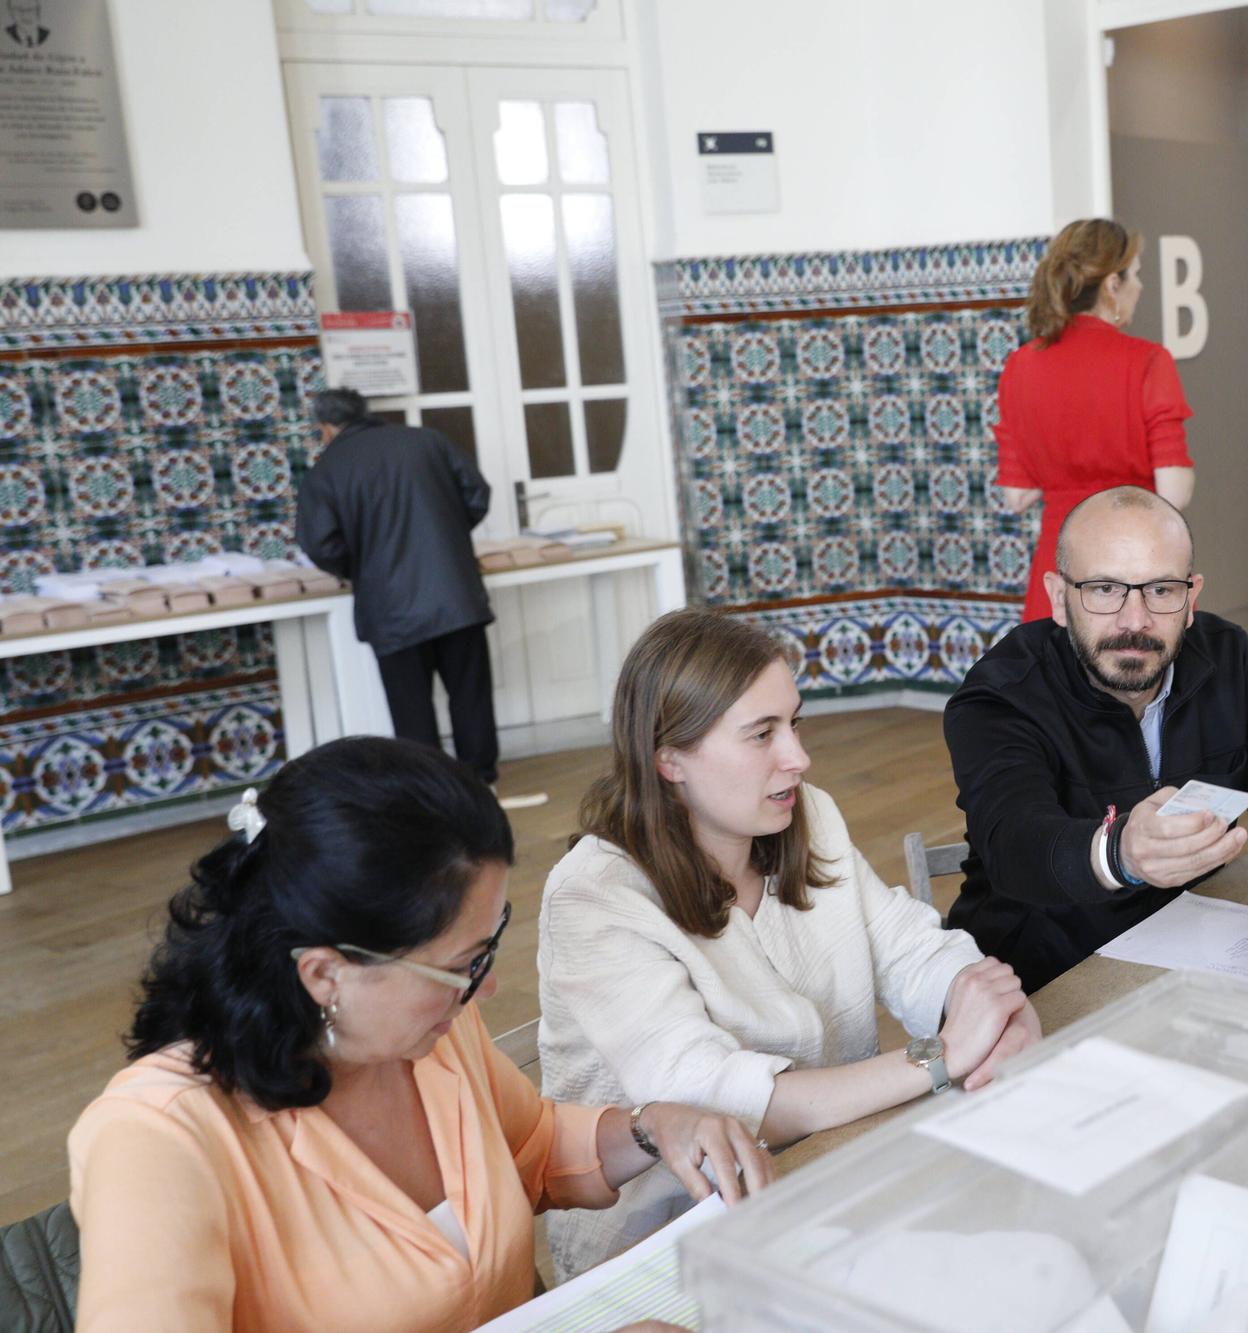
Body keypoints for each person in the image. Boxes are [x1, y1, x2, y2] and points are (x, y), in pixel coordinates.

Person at [66, 736, 771, 1332]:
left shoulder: (431, 1031)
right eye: (464, 963)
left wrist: (653, 1127)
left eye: (487, 947)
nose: (485, 988)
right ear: (324, 974)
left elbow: (526, 1148)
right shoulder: (156, 1139)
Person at [537, 608, 1041, 1280]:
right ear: (670, 758)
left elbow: (906, 943)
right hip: (665, 1241)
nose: (798, 757)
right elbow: (713, 1095)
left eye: (794, 722)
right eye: (761, 734)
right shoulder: (593, 897)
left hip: (827, 1177)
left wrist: (988, 1000)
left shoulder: (808, 813)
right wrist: (941, 1055)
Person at [943, 486, 1248, 992]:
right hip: (1038, 983)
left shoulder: (1229, 661)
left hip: (1190, 960)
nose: (1135, 620)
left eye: (1161, 590)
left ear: (1190, 599)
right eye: (1104, 588)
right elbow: (1014, 843)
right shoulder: (1000, 695)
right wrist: (1119, 854)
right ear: (1059, 599)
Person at [994, 218, 1196, 622]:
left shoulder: (1019, 366)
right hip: (1132, 570)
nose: (1140, 287)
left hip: (1058, 573)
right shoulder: (1147, 361)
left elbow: (1016, 497)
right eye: (1136, 275)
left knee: (1055, 681)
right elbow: (1174, 491)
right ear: (1112, 285)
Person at [297, 388, 501, 785]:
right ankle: (483, 786)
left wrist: (361, 567)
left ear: (325, 428)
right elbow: (477, 494)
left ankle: (431, 796)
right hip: (455, 595)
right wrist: (448, 538)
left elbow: (320, 543)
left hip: (390, 609)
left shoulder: (327, 469)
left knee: (412, 711)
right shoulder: (427, 440)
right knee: (470, 695)